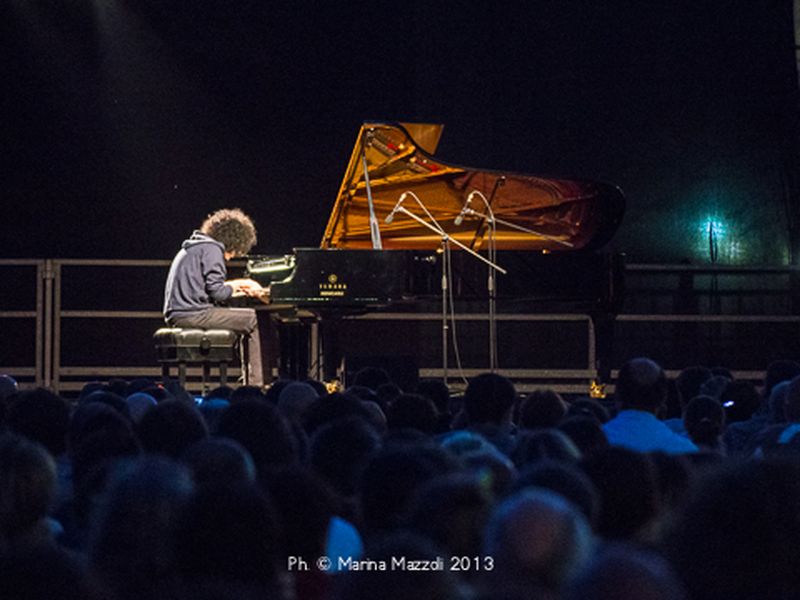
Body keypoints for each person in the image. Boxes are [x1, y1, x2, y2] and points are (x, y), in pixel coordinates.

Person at [163, 208, 266, 387]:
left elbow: (211, 289)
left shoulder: (196, 246)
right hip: (192, 314)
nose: (232, 258)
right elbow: (218, 293)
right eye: (234, 253)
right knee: (253, 319)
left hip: (178, 313)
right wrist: (243, 284)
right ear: (233, 241)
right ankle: (255, 385)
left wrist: (239, 286)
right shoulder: (213, 250)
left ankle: (249, 380)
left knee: (242, 318)